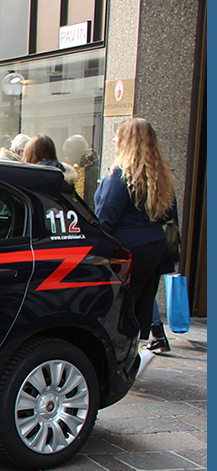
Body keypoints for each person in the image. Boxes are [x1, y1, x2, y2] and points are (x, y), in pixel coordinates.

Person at [94, 117, 177, 343]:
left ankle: (118, 359)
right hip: (155, 248)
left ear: (127, 140)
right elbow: (171, 218)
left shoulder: (120, 175)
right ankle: (132, 350)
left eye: (117, 135)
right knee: (141, 302)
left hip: (126, 251)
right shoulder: (161, 175)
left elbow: (106, 220)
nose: (113, 139)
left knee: (117, 308)